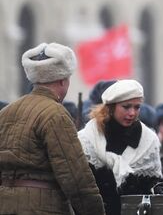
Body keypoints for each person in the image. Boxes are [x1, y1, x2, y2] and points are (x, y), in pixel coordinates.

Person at [0, 42, 105, 215]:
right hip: (42, 207)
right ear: (63, 80)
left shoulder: (6, 112)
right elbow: (75, 177)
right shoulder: (55, 114)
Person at [78, 79, 163, 215]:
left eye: (137, 107)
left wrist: (159, 187)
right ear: (111, 107)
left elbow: (152, 183)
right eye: (126, 107)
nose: (132, 113)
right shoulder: (87, 139)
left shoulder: (148, 140)